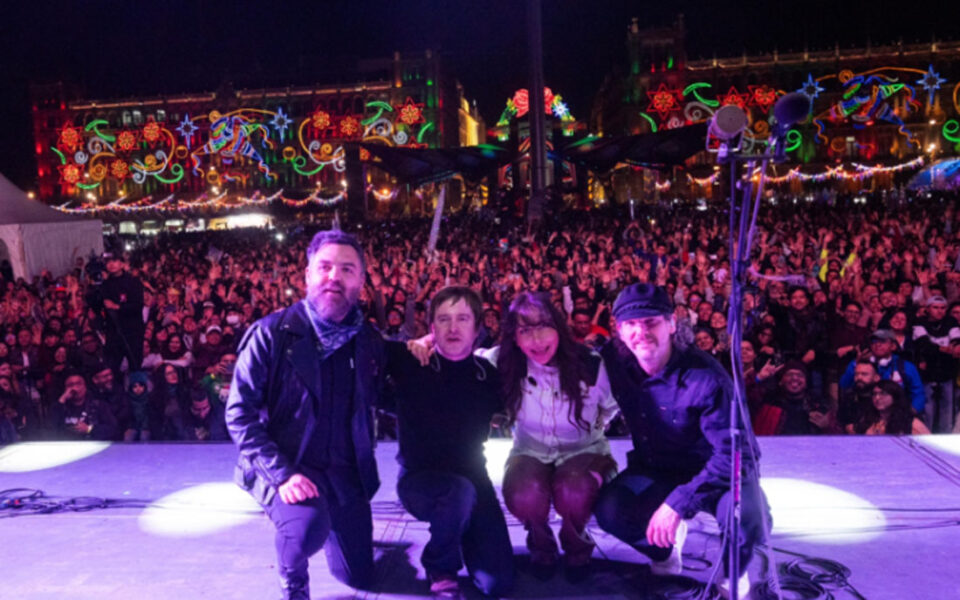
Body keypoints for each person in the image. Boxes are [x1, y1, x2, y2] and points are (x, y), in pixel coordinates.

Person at [226, 229, 385, 600]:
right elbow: (239, 413)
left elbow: (389, 393)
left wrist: (423, 352)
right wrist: (282, 475)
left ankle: (329, 522)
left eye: (347, 269)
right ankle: (294, 583)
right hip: (289, 465)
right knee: (306, 528)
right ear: (308, 275)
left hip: (344, 473)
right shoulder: (271, 334)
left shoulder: (368, 341)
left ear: (360, 281)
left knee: (359, 577)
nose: (334, 276)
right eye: (325, 267)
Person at [594, 283, 767, 599]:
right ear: (619, 331)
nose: (640, 333)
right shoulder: (616, 360)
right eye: (631, 324)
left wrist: (678, 503)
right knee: (610, 509)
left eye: (651, 323)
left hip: (718, 473)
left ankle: (733, 572)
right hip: (658, 467)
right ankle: (663, 550)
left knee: (747, 515)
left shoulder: (708, 378)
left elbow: (738, 453)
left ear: (672, 324)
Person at [388, 286, 514, 598]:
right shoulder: (411, 365)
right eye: (443, 320)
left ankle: (462, 532)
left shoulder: (487, 375)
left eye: (462, 319)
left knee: (497, 584)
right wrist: (411, 345)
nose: (453, 328)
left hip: (474, 479)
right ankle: (439, 563)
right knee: (458, 494)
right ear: (431, 328)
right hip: (420, 481)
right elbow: (369, 346)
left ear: (477, 328)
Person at [484, 292, 618, 582]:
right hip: (530, 451)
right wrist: (427, 342)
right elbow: (460, 359)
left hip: (585, 450)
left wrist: (592, 428)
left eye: (544, 326)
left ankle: (576, 547)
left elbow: (609, 407)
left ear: (558, 326)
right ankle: (541, 545)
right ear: (514, 337)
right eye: (525, 331)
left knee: (572, 489)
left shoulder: (589, 364)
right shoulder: (503, 363)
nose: (536, 340)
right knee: (523, 492)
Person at [839, 329, 925, 417]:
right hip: (867, 414)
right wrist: (856, 364)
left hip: (897, 415)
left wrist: (910, 413)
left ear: (893, 346)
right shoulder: (860, 364)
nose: (877, 344)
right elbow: (844, 385)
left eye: (883, 341)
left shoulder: (906, 367)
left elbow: (918, 394)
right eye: (874, 341)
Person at [912, 296, 960, 432]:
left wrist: (954, 347)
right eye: (935, 307)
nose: (940, 311)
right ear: (928, 309)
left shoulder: (951, 321)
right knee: (928, 412)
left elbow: (956, 341)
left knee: (947, 412)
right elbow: (923, 346)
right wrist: (945, 349)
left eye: (943, 308)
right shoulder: (919, 322)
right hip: (927, 375)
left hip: (946, 374)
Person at [98, 254, 145, 372]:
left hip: (132, 333)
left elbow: (138, 305)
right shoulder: (104, 284)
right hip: (113, 333)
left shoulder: (133, 282)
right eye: (108, 262)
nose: (111, 264)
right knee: (113, 369)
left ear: (122, 264)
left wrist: (117, 307)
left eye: (114, 260)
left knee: (135, 367)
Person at [47, 370, 118, 441]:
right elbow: (49, 430)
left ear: (85, 387)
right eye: (70, 385)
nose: (75, 388)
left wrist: (89, 429)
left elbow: (113, 429)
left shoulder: (99, 406)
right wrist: (62, 399)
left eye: (78, 384)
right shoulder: (59, 407)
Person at [853, 380, 930, 435]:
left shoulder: (910, 422)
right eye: (874, 394)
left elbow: (930, 446)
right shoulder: (867, 420)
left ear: (895, 397)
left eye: (883, 393)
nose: (877, 398)